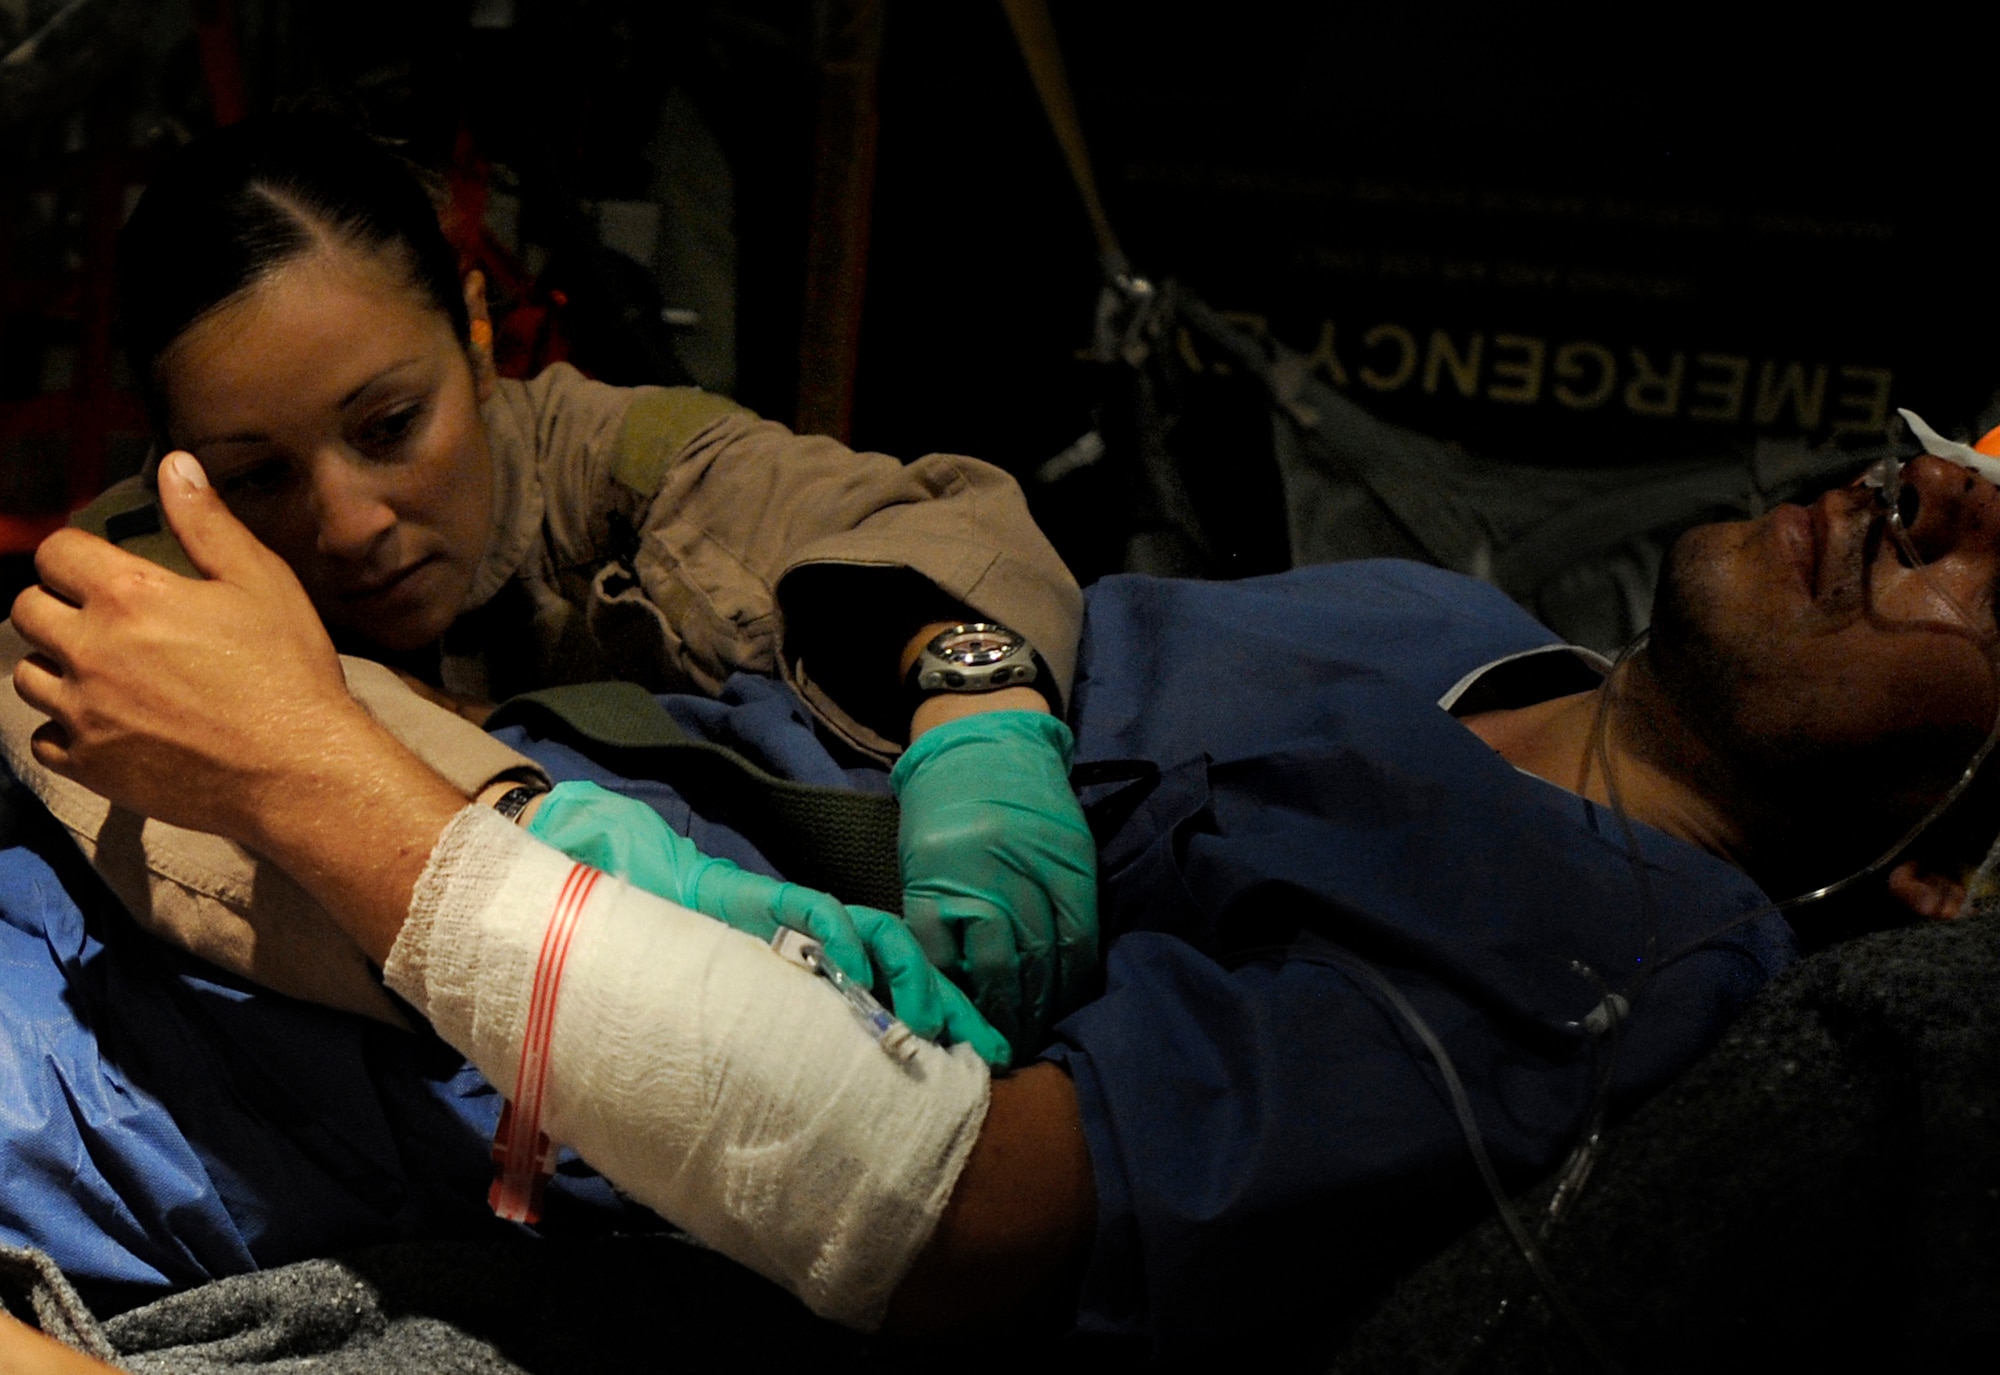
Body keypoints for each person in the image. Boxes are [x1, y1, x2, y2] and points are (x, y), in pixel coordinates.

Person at [13, 414, 1998, 1363]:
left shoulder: (1613, 948)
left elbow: (923, 1203)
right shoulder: (1436, 626)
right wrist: (972, 685)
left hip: (352, 1048)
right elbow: (930, 558)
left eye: (1999, 557)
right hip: (403, 837)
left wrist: (328, 780)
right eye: (1957, 444)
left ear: (1958, 856)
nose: (1928, 492)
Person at [41, 112, 1097, 1059]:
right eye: (257, 476)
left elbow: (897, 516)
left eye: (390, 426)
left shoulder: (604, 458)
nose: (351, 523)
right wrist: (548, 857)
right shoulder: (138, 577)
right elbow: (59, 691)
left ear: (475, 336)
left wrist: (979, 699)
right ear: (169, 461)